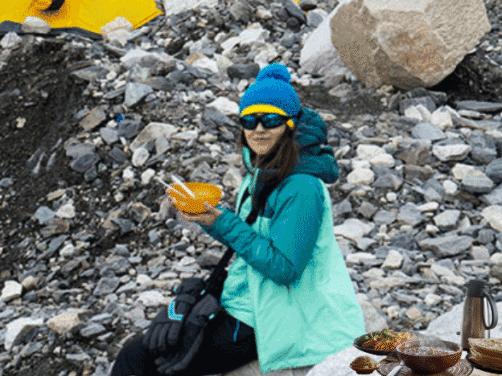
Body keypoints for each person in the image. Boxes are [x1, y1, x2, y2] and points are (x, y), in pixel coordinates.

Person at [111, 63, 365, 376]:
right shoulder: (261, 173)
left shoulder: (301, 187)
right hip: (251, 300)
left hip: (278, 316)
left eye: (271, 120)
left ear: (290, 125)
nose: (258, 129)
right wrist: (208, 217)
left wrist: (222, 221)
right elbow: (251, 239)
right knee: (150, 349)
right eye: (249, 120)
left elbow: (284, 267)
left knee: (140, 357)